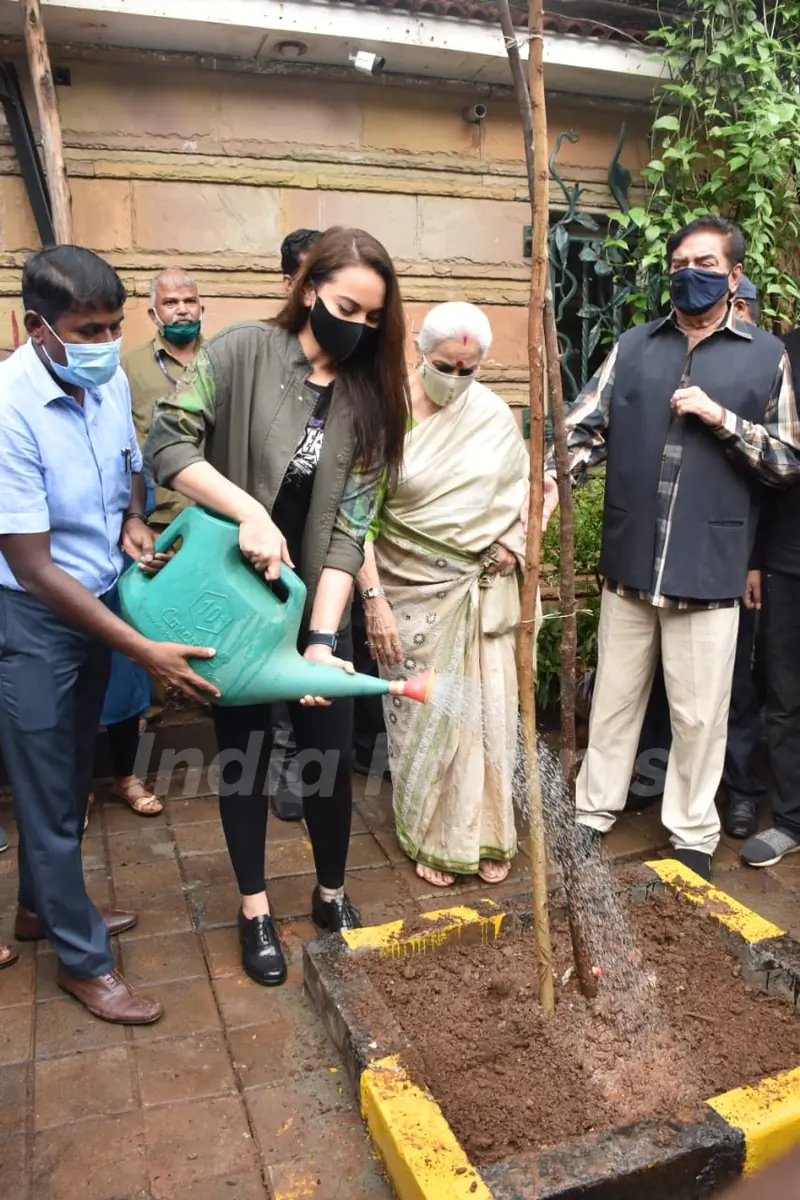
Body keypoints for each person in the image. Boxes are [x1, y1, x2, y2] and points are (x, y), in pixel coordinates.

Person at [145, 226, 409, 985]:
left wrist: (323, 638)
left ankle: (331, 893)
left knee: (327, 758)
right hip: (234, 608)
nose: (357, 327)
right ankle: (254, 908)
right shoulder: (241, 352)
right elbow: (168, 442)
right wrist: (248, 512)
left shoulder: (372, 397)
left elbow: (350, 529)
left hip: (317, 605)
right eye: (347, 308)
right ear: (308, 288)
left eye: (373, 318)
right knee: (246, 757)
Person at [543, 216, 800, 881]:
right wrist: (549, 480)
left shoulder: (764, 355)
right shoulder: (635, 346)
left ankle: (692, 829)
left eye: (705, 263)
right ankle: (592, 811)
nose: (690, 273)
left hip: (709, 567)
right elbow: (584, 428)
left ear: (734, 275)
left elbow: (786, 460)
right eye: (680, 262)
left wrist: (722, 419)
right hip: (631, 561)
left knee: (698, 715)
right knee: (614, 701)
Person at [0, 245, 217, 1018]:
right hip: (35, 619)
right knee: (46, 790)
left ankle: (41, 911)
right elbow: (31, 566)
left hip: (96, 595)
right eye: (87, 331)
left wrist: (130, 517)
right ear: (38, 328)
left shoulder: (109, 377)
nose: (105, 344)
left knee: (70, 774)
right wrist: (143, 649)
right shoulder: (9, 410)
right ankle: (83, 961)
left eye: (114, 327)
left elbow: (129, 458)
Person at [357, 301, 528, 888]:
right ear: (419, 353)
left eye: (467, 368)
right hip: (408, 594)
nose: (455, 378)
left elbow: (524, 491)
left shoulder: (492, 416)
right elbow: (356, 520)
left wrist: (512, 545)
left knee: (488, 717)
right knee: (425, 718)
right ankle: (432, 837)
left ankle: (486, 834)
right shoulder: (385, 412)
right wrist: (373, 599)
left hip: (480, 591)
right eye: (445, 366)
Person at [628, 275, 768, 839]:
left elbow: (773, 481)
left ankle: (740, 790)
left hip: (732, 558)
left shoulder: (765, 366)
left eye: (741, 311)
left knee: (728, 689)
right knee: (666, 689)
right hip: (666, 559)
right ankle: (657, 778)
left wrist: (756, 561)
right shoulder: (668, 359)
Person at [739, 312, 800, 866]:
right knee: (785, 698)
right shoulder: (782, 355)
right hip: (787, 559)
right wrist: (754, 560)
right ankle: (790, 820)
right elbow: (764, 472)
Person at [270, 229, 323, 821]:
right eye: (312, 279)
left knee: (322, 649)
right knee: (278, 651)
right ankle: (283, 764)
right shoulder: (265, 356)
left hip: (325, 541)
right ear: (291, 285)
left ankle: (323, 764)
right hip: (268, 541)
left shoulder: (348, 365)